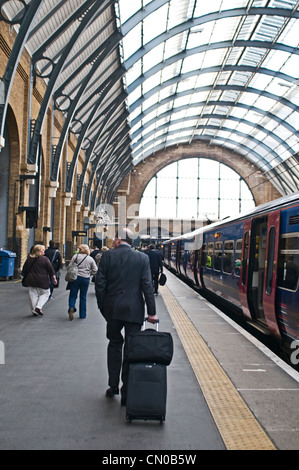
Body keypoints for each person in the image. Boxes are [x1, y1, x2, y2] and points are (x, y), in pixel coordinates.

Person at [95, 228, 158, 406]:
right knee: (131, 349)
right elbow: (147, 286)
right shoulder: (142, 258)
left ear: (118, 239)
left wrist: (103, 308)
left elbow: (100, 285)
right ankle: (127, 391)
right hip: (134, 310)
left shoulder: (107, 257)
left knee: (114, 344)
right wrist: (151, 312)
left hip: (113, 310)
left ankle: (112, 385)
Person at [21, 244, 57, 316]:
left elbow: (24, 270)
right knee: (46, 293)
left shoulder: (29, 259)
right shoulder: (45, 259)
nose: (44, 251)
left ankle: (34, 310)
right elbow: (50, 270)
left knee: (33, 295)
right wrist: (54, 279)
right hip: (42, 280)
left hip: (31, 280)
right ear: (38, 251)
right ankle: (38, 307)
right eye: (42, 250)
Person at [67, 244, 98, 321]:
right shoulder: (90, 259)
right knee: (83, 296)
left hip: (75, 278)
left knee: (73, 295)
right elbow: (95, 270)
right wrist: (89, 273)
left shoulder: (75, 256)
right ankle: (82, 314)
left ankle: (71, 307)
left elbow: (69, 266)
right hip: (85, 278)